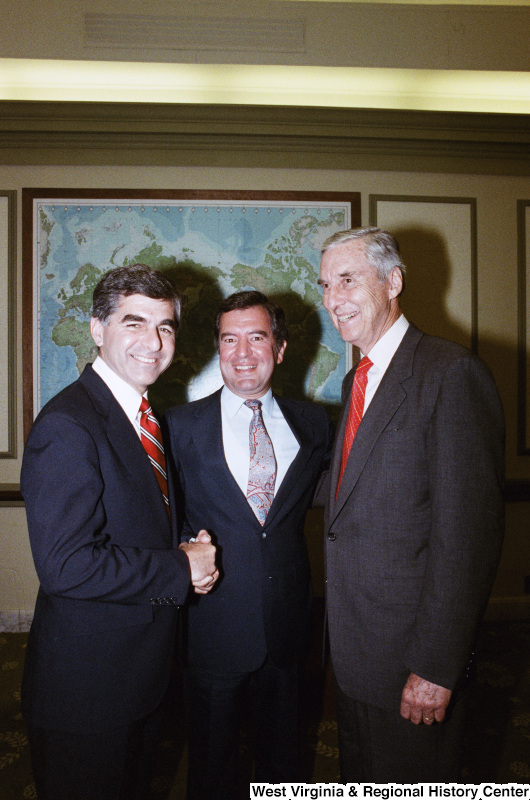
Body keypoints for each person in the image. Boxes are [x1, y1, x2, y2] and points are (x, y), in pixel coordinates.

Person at [20, 264, 219, 800]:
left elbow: (136, 524)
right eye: (134, 323)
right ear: (96, 328)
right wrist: (182, 567)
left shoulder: (142, 416)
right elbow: (66, 564)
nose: (153, 343)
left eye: (166, 327)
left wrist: (186, 549)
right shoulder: (70, 424)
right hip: (87, 699)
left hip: (136, 683)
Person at [316, 227, 505, 782]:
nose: (332, 299)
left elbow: (468, 538)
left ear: (393, 280)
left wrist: (436, 668)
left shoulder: (451, 374)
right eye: (325, 285)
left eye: (347, 280)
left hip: (412, 663)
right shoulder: (357, 379)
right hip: (354, 655)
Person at [164, 290, 333, 799]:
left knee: (283, 767)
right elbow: (157, 518)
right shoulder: (177, 428)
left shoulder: (315, 425)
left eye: (256, 337)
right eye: (229, 339)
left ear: (279, 349)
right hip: (211, 626)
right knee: (209, 768)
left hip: (285, 626)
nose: (241, 353)